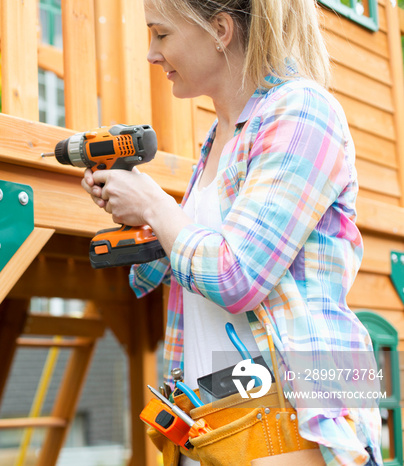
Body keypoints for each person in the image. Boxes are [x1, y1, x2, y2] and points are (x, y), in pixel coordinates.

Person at [81, 0, 382, 465]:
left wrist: (155, 205)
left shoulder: (302, 113)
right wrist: (139, 215)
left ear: (220, 29)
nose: (151, 54)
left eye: (161, 34)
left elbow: (235, 275)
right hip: (221, 408)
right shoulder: (220, 136)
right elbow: (188, 261)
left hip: (291, 410)